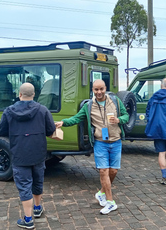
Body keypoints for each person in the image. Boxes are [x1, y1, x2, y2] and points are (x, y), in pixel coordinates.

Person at [55, 79, 129, 215]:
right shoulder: (88, 106)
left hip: (116, 141)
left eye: (101, 89)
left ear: (105, 88)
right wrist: (63, 122)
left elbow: (126, 115)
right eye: (96, 90)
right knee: (103, 171)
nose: (99, 92)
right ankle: (110, 202)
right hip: (100, 142)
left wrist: (119, 120)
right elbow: (76, 118)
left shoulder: (116, 101)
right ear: (93, 90)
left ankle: (101, 193)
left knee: (113, 172)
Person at [0, 82, 56, 229]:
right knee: (37, 181)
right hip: (38, 153)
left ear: (20, 94)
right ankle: (37, 208)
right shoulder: (42, 110)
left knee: (24, 186)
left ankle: (28, 219)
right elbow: (50, 130)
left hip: (19, 154)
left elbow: (1, 130)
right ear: (34, 94)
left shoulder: (9, 111)